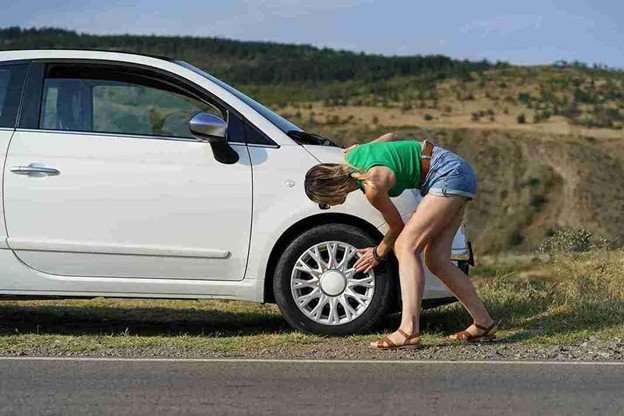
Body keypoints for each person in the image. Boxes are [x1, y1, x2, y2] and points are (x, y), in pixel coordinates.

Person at [304, 132, 496, 349]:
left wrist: (377, 252)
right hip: (455, 170)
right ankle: (484, 324)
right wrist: (369, 147)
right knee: (436, 260)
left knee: (405, 246)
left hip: (447, 175)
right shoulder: (353, 155)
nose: (328, 207)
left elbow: (397, 227)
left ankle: (408, 330)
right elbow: (392, 136)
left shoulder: (372, 187)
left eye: (324, 203)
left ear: (332, 190)